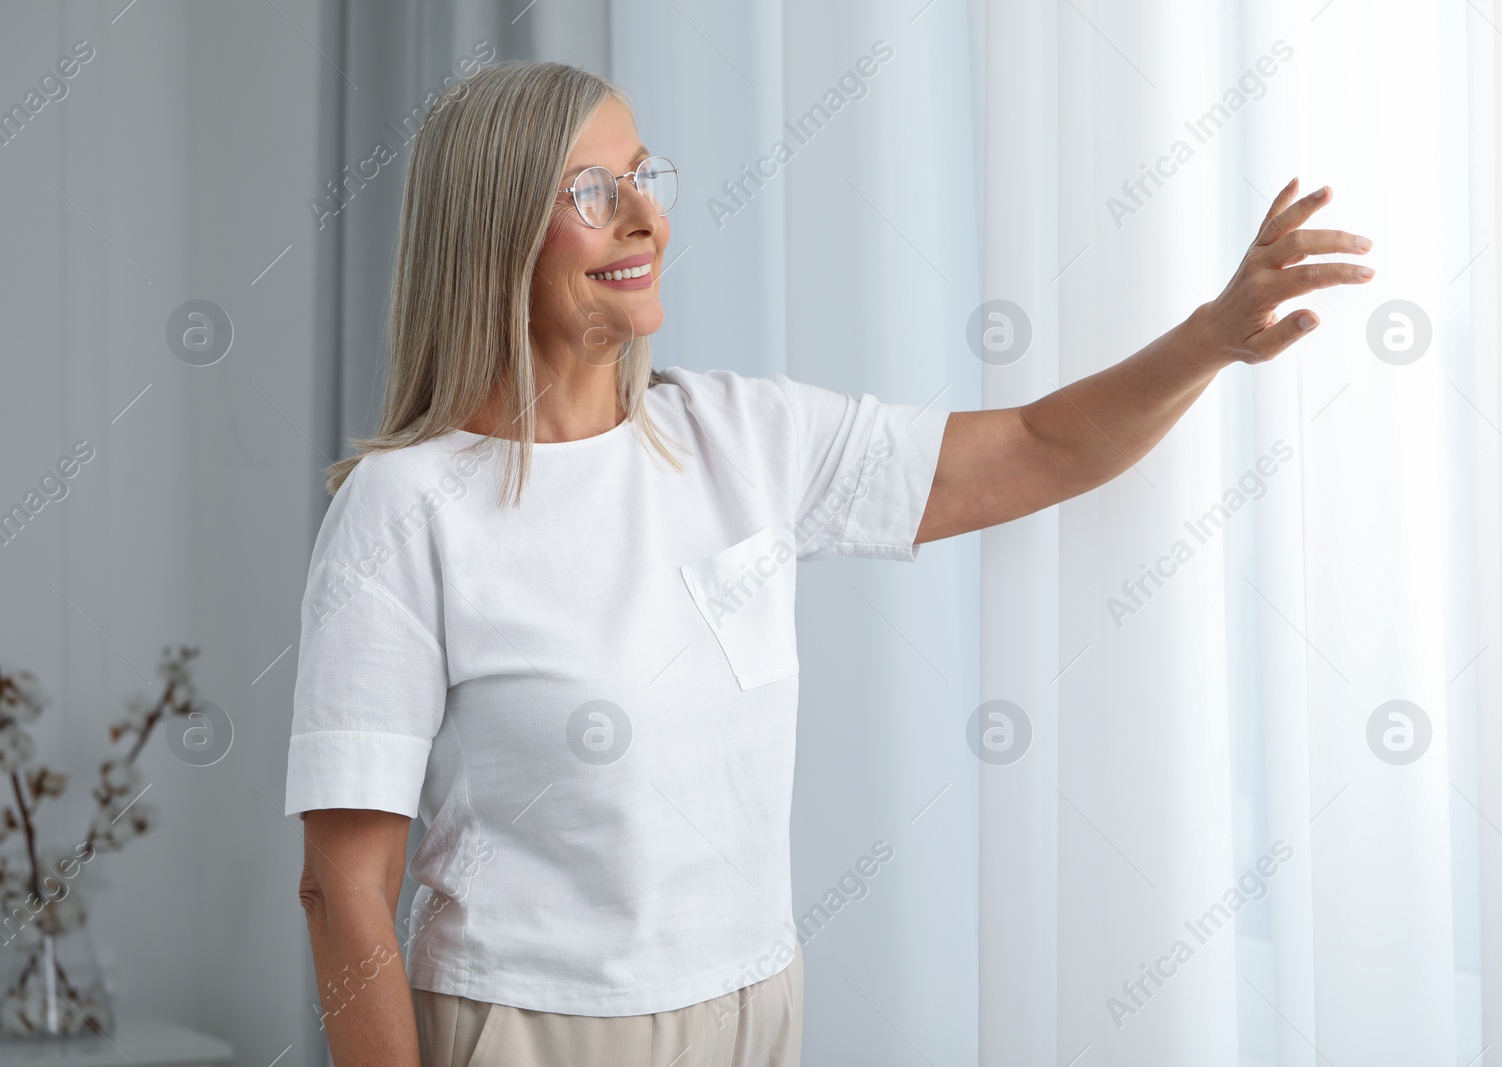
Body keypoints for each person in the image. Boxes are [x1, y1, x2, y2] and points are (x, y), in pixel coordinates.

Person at [285, 60, 1372, 1067]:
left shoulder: (742, 436)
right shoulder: (405, 510)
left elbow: (1039, 446)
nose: (647, 217)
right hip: (533, 1022)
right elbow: (345, 884)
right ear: (492, 233)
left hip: (756, 999)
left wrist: (1213, 335)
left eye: (643, 176)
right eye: (591, 192)